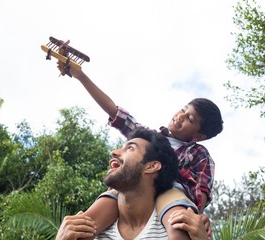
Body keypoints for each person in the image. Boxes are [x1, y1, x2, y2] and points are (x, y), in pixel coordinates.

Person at [56, 61, 222, 239]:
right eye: (183, 109)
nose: (180, 116)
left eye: (189, 118)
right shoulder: (147, 138)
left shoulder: (200, 154)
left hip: (172, 190)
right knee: (87, 222)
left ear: (199, 136)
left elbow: (201, 189)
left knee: (180, 223)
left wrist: (196, 215)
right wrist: (81, 76)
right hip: (134, 185)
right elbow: (116, 113)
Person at [55, 127, 210, 240]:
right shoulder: (91, 230)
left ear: (151, 166)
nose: (113, 152)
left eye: (130, 148)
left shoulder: (184, 226)